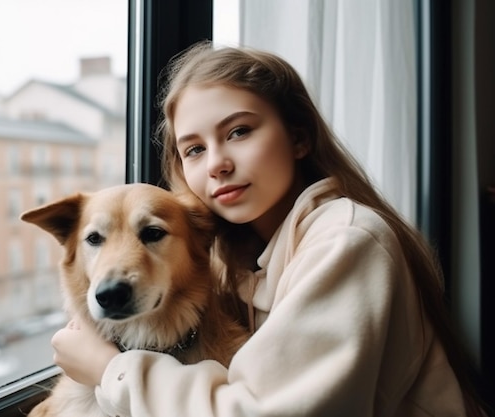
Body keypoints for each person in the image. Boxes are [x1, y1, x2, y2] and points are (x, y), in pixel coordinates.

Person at [50, 41, 488, 416]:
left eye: (239, 131)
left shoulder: (347, 241)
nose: (218, 163)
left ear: (299, 138)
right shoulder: (230, 258)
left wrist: (111, 372)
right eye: (195, 149)